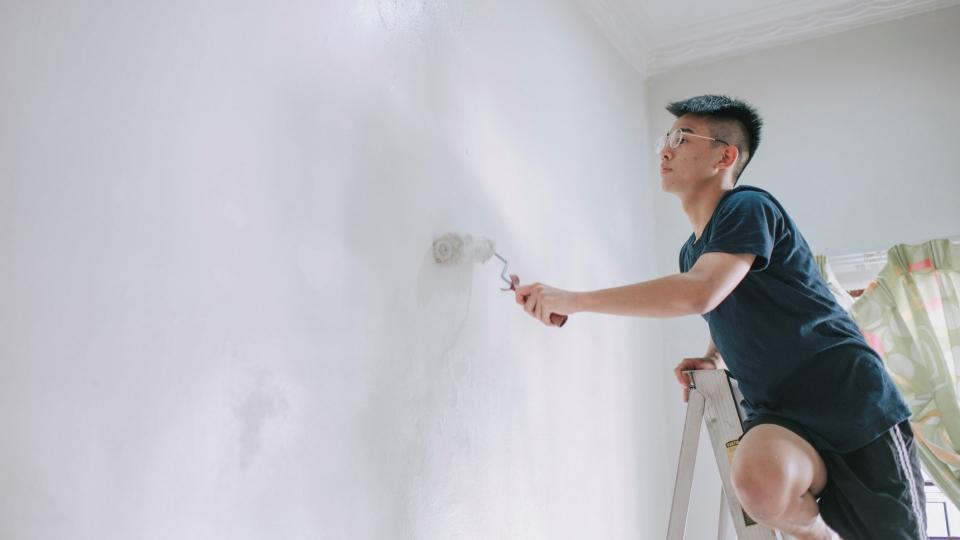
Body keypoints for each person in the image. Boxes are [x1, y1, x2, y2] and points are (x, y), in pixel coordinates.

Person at [513, 95, 926, 540]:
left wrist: (572, 300)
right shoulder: (694, 252)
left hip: (849, 402)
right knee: (757, 481)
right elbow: (724, 305)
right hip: (780, 414)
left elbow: (701, 292)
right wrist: (714, 359)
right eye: (665, 140)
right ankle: (819, 534)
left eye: (681, 138)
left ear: (725, 156)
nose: (665, 150)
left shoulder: (747, 206)